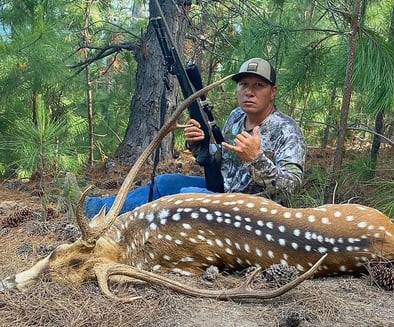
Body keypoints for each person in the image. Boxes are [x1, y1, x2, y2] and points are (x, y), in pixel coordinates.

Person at [83, 58, 306, 217]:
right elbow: (222, 159)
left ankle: (127, 227)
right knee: (166, 182)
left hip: (257, 211)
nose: (249, 91)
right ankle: (94, 208)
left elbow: (291, 189)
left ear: (272, 92)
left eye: (259, 85)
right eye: (243, 84)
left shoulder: (287, 130)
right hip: (225, 192)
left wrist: (256, 159)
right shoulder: (237, 117)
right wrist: (199, 145)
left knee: (186, 195)